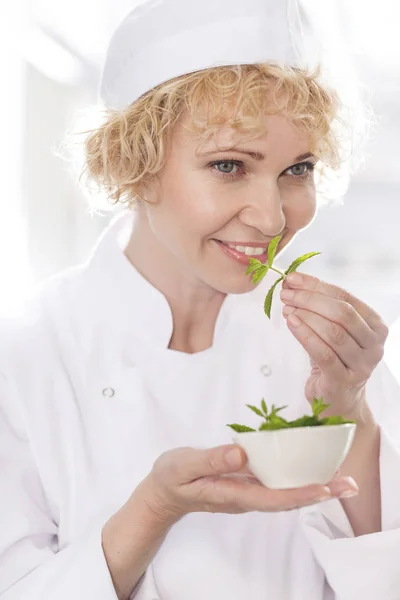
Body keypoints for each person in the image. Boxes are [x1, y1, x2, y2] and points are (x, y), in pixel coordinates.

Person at [1, 1, 400, 599]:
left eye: (297, 169)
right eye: (229, 165)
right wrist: (155, 508)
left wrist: (350, 411)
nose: (271, 218)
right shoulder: (28, 351)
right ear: (134, 163)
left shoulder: (321, 342)